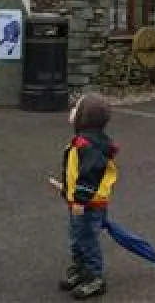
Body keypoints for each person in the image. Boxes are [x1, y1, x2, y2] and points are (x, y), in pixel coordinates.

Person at [59, 94, 119, 299]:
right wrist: (67, 190)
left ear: (84, 117)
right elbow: (75, 171)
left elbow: (89, 175)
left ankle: (95, 277)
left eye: (76, 108)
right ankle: (81, 269)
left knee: (86, 240)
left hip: (88, 204)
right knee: (77, 238)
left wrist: (79, 199)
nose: (72, 111)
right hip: (80, 201)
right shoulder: (85, 141)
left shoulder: (88, 145)